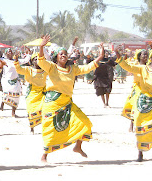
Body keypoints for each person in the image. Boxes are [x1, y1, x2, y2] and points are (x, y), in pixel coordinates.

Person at [38, 35, 104, 163]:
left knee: (84, 123)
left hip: (67, 103)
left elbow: (88, 67)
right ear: (56, 57)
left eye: (65, 54)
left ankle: (77, 147)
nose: (63, 56)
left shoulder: (73, 69)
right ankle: (45, 155)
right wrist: (41, 46)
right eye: (60, 54)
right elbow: (41, 61)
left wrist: (100, 56)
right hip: (52, 103)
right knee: (50, 130)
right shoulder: (51, 67)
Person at [115, 47, 152, 162]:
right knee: (141, 127)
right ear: (151, 57)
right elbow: (128, 67)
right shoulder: (143, 69)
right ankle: (140, 153)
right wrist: (118, 55)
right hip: (144, 102)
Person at [0, 34, 30, 117]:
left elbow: (26, 60)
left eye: (11, 52)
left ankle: (13, 112)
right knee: (7, 93)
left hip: (15, 81)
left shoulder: (16, 61)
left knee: (16, 95)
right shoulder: (3, 60)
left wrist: (28, 53)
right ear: (6, 54)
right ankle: (3, 103)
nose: (10, 53)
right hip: (6, 80)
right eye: (8, 52)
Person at [14, 52, 47, 134]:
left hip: (43, 92)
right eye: (35, 59)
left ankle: (45, 127)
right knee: (31, 110)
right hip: (32, 93)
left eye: (39, 59)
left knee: (45, 109)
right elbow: (18, 69)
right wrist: (16, 60)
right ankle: (32, 127)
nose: (37, 61)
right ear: (32, 61)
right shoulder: (28, 69)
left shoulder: (45, 70)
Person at [121, 49, 148, 132]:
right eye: (144, 54)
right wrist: (123, 54)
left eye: (147, 54)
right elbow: (125, 64)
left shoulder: (150, 66)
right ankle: (131, 125)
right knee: (135, 106)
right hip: (137, 89)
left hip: (147, 89)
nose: (145, 56)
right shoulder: (135, 65)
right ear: (139, 56)